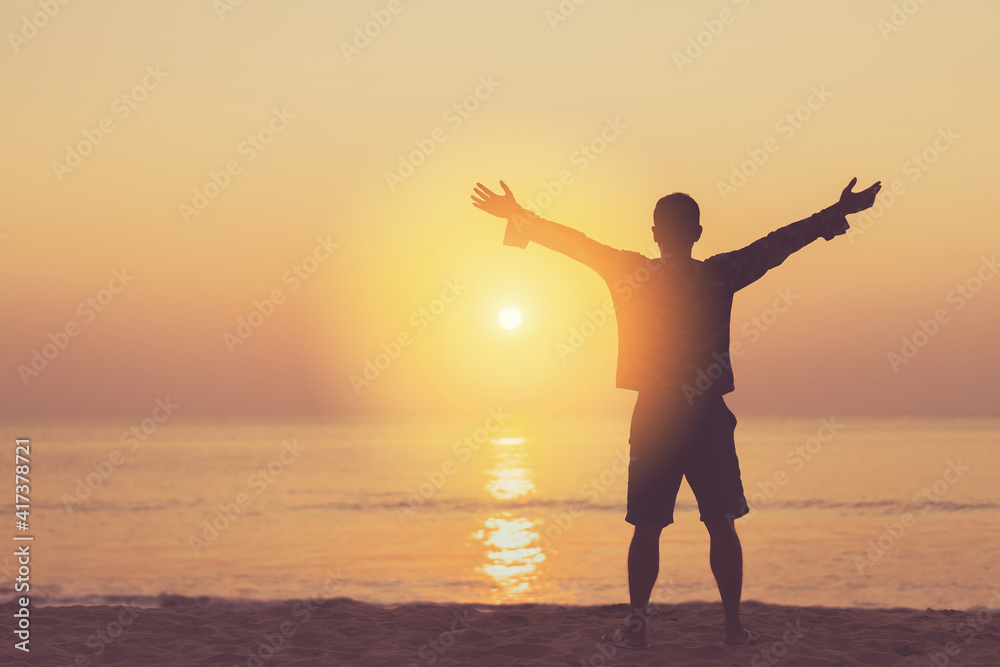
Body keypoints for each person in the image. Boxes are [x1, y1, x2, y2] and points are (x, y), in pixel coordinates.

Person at [470, 177, 881, 648]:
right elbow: (779, 243)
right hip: (705, 414)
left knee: (647, 527)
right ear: (698, 233)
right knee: (720, 522)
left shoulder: (631, 271)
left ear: (654, 233)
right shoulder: (718, 274)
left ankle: (638, 627)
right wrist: (838, 211)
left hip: (656, 416)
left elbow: (575, 244)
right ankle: (731, 628)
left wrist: (519, 215)